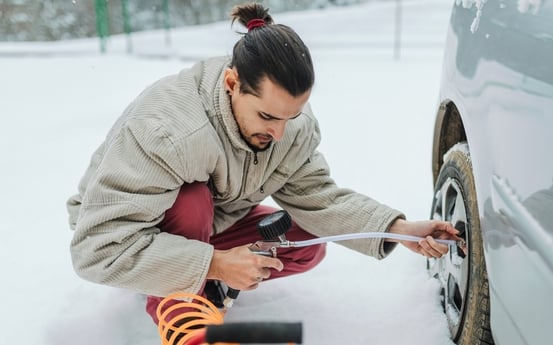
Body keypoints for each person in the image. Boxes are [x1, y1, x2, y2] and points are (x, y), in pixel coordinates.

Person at [67, 2, 461, 325]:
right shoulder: (168, 131)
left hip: (213, 222)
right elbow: (96, 249)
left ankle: (194, 273)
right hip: (131, 228)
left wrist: (399, 229)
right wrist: (216, 264)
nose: (277, 134)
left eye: (290, 117)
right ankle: (179, 308)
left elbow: (317, 198)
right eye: (268, 118)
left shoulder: (286, 128)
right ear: (232, 83)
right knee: (192, 200)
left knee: (304, 241)